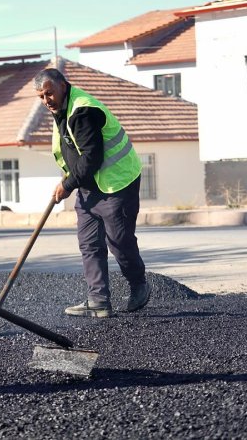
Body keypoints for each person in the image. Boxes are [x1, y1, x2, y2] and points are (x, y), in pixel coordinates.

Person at [33, 65, 150, 319]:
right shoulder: (61, 110)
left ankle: (138, 284)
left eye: (49, 93)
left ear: (63, 86)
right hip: (88, 186)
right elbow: (72, 152)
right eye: (41, 96)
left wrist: (67, 185)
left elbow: (92, 157)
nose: (46, 101)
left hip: (117, 183)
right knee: (89, 244)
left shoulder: (83, 111)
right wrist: (71, 179)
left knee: (119, 241)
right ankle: (98, 301)